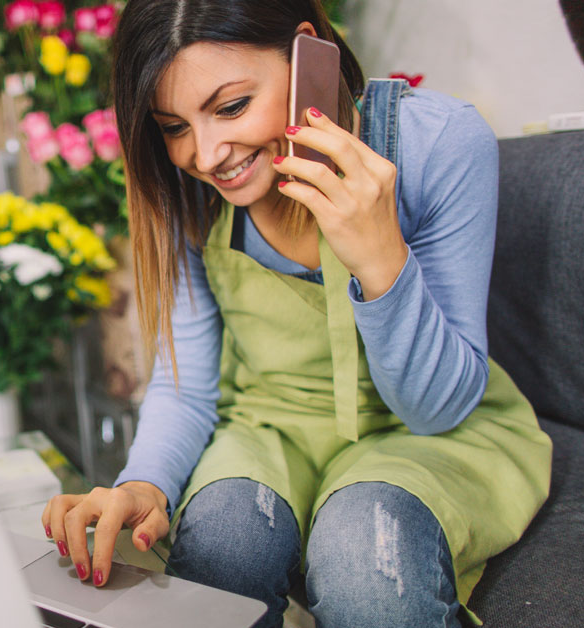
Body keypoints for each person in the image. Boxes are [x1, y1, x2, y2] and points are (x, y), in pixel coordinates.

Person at [40, 1, 552, 626]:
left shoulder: (437, 143)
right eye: (173, 126)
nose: (205, 155)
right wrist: (142, 484)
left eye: (230, 107)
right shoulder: (187, 194)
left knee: (364, 547)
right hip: (268, 430)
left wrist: (379, 257)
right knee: (222, 543)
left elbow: (435, 407)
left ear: (308, 52)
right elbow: (186, 386)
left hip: (427, 434)